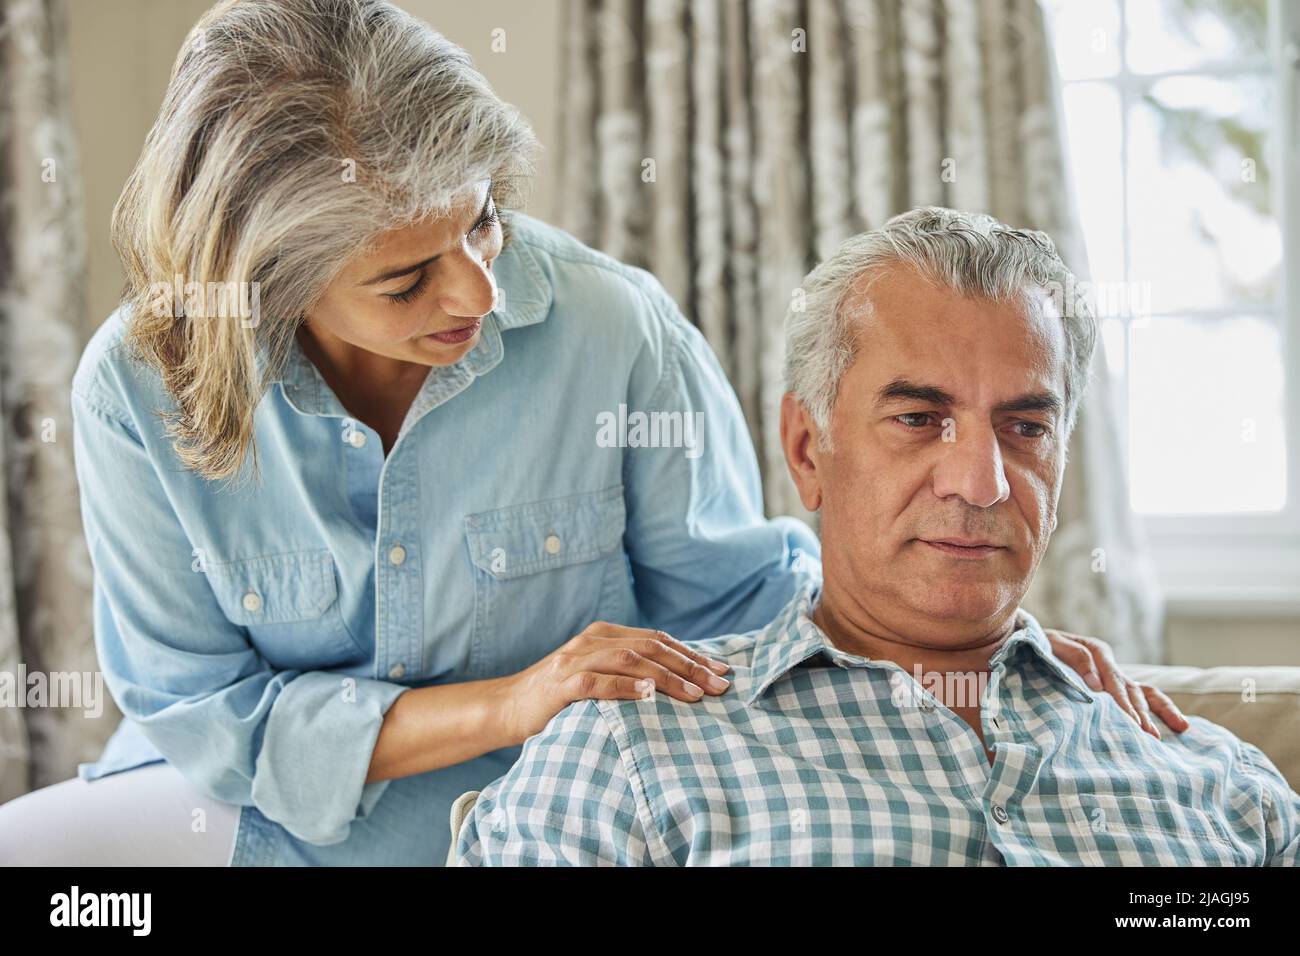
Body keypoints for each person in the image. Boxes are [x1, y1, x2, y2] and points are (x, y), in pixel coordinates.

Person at [0, 1, 1178, 867]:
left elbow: (737, 598)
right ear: (268, 282)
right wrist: (516, 694)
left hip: (553, 813)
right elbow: (207, 714)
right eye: (407, 279)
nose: (471, 292)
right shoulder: (135, 387)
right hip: (253, 813)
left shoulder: (612, 328)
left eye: (486, 223)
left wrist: (982, 650)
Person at [456, 208, 1295, 866]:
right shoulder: (630, 754)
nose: (982, 482)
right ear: (806, 449)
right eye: (919, 418)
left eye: (1025, 426)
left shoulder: (1219, 785)